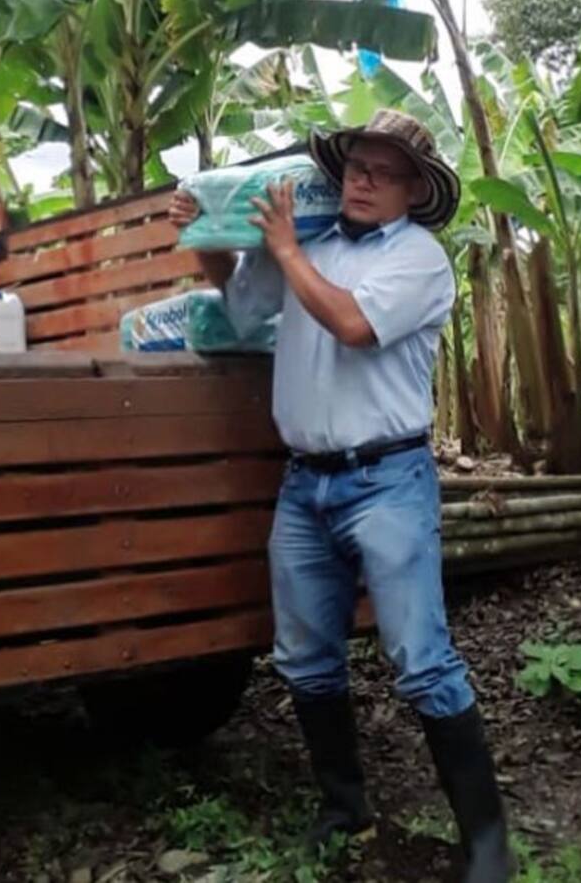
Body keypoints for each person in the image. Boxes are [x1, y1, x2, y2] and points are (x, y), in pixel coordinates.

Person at [169, 110, 512, 883]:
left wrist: (287, 251)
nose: (363, 181)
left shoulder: (419, 260)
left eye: (383, 173)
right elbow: (245, 308)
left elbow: (353, 325)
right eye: (357, 166)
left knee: (421, 659)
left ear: (414, 190)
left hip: (386, 481)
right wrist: (211, 236)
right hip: (305, 483)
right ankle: (343, 808)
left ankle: (488, 842)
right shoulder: (312, 243)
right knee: (304, 657)